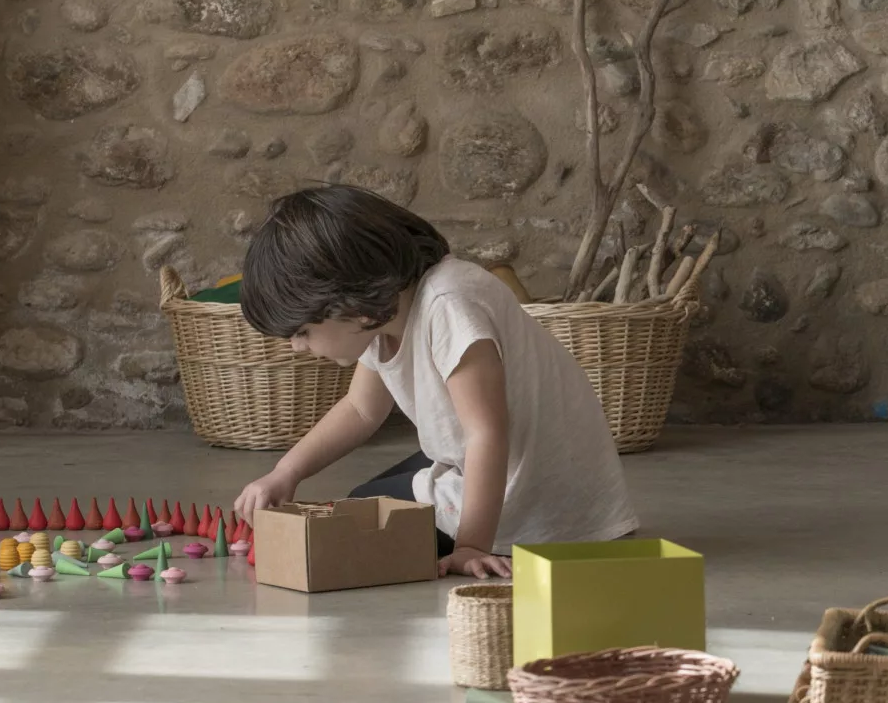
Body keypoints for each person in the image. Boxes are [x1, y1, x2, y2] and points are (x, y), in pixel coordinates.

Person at [233, 186, 637, 579]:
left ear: (352, 306)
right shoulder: (381, 315)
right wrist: (286, 472)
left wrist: (471, 547)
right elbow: (360, 409)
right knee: (374, 500)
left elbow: (486, 435)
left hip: (542, 495)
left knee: (363, 512)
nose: (297, 347)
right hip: (510, 461)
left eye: (302, 331)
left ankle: (476, 535)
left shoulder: (449, 305)